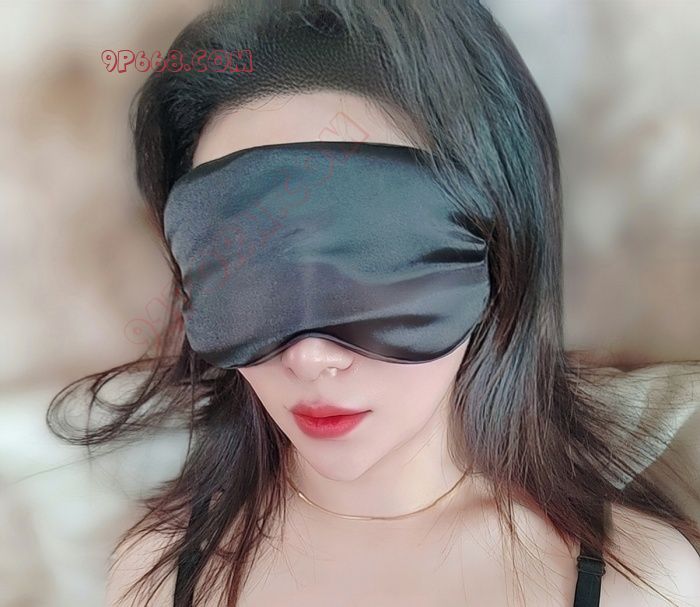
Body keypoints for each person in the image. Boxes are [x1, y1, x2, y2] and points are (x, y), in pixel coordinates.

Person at [47, 1, 700, 606]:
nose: (309, 357)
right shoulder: (156, 574)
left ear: (500, 249)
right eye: (247, 274)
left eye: (374, 266)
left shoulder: (642, 585)